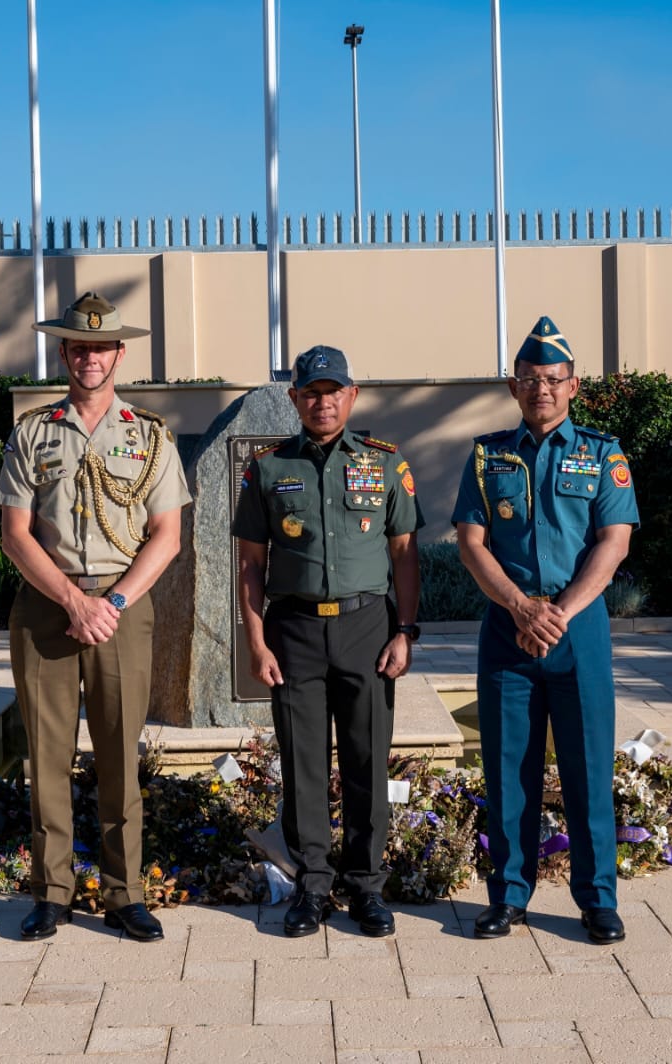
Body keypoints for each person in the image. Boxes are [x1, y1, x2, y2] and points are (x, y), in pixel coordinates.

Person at [0, 291, 191, 942]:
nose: (90, 358)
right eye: (79, 347)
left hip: (120, 609)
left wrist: (109, 603)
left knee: (117, 755)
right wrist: (73, 601)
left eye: (101, 348)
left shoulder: (150, 435)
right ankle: (51, 893)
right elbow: (15, 534)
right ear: (65, 353)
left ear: (118, 354)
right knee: (46, 756)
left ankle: (123, 894)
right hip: (49, 607)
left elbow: (167, 535)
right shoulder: (34, 432)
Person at [451, 315, 639, 944]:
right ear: (514, 387)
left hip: (578, 632)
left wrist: (556, 612)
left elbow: (614, 544)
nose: (543, 391)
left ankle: (597, 900)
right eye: (531, 380)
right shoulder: (488, 457)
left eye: (553, 380)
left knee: (587, 769)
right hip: (508, 632)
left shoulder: (603, 453)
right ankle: (508, 896)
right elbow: (472, 544)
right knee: (508, 770)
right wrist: (520, 607)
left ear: (574, 385)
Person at [232, 345, 424, 938]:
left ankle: (366, 886)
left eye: (333, 390)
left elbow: (405, 556)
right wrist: (258, 645)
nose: (323, 401)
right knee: (304, 764)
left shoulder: (386, 464)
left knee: (368, 758)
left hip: (367, 627)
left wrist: (405, 632)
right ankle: (313, 886)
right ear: (295, 399)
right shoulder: (266, 469)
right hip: (295, 630)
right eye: (311, 392)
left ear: (352, 396)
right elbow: (249, 565)